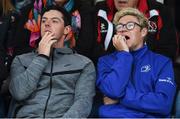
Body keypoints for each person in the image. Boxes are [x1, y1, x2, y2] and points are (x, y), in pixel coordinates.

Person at [8, 5, 96, 118]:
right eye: (44, 21)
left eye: (54, 21)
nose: (47, 24)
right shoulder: (21, 60)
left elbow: (83, 103)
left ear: (67, 30)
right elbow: (19, 93)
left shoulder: (84, 64)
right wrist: (42, 57)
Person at [96, 8, 176, 118]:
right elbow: (114, 91)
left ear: (143, 31)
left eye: (130, 25)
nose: (123, 30)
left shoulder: (162, 62)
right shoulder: (105, 61)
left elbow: (163, 104)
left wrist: (121, 97)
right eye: (119, 26)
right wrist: (124, 54)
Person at [92, 0, 177, 65]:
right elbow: (92, 50)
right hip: (111, 70)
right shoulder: (98, 10)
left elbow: (167, 51)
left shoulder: (160, 11)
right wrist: (123, 62)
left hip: (149, 71)